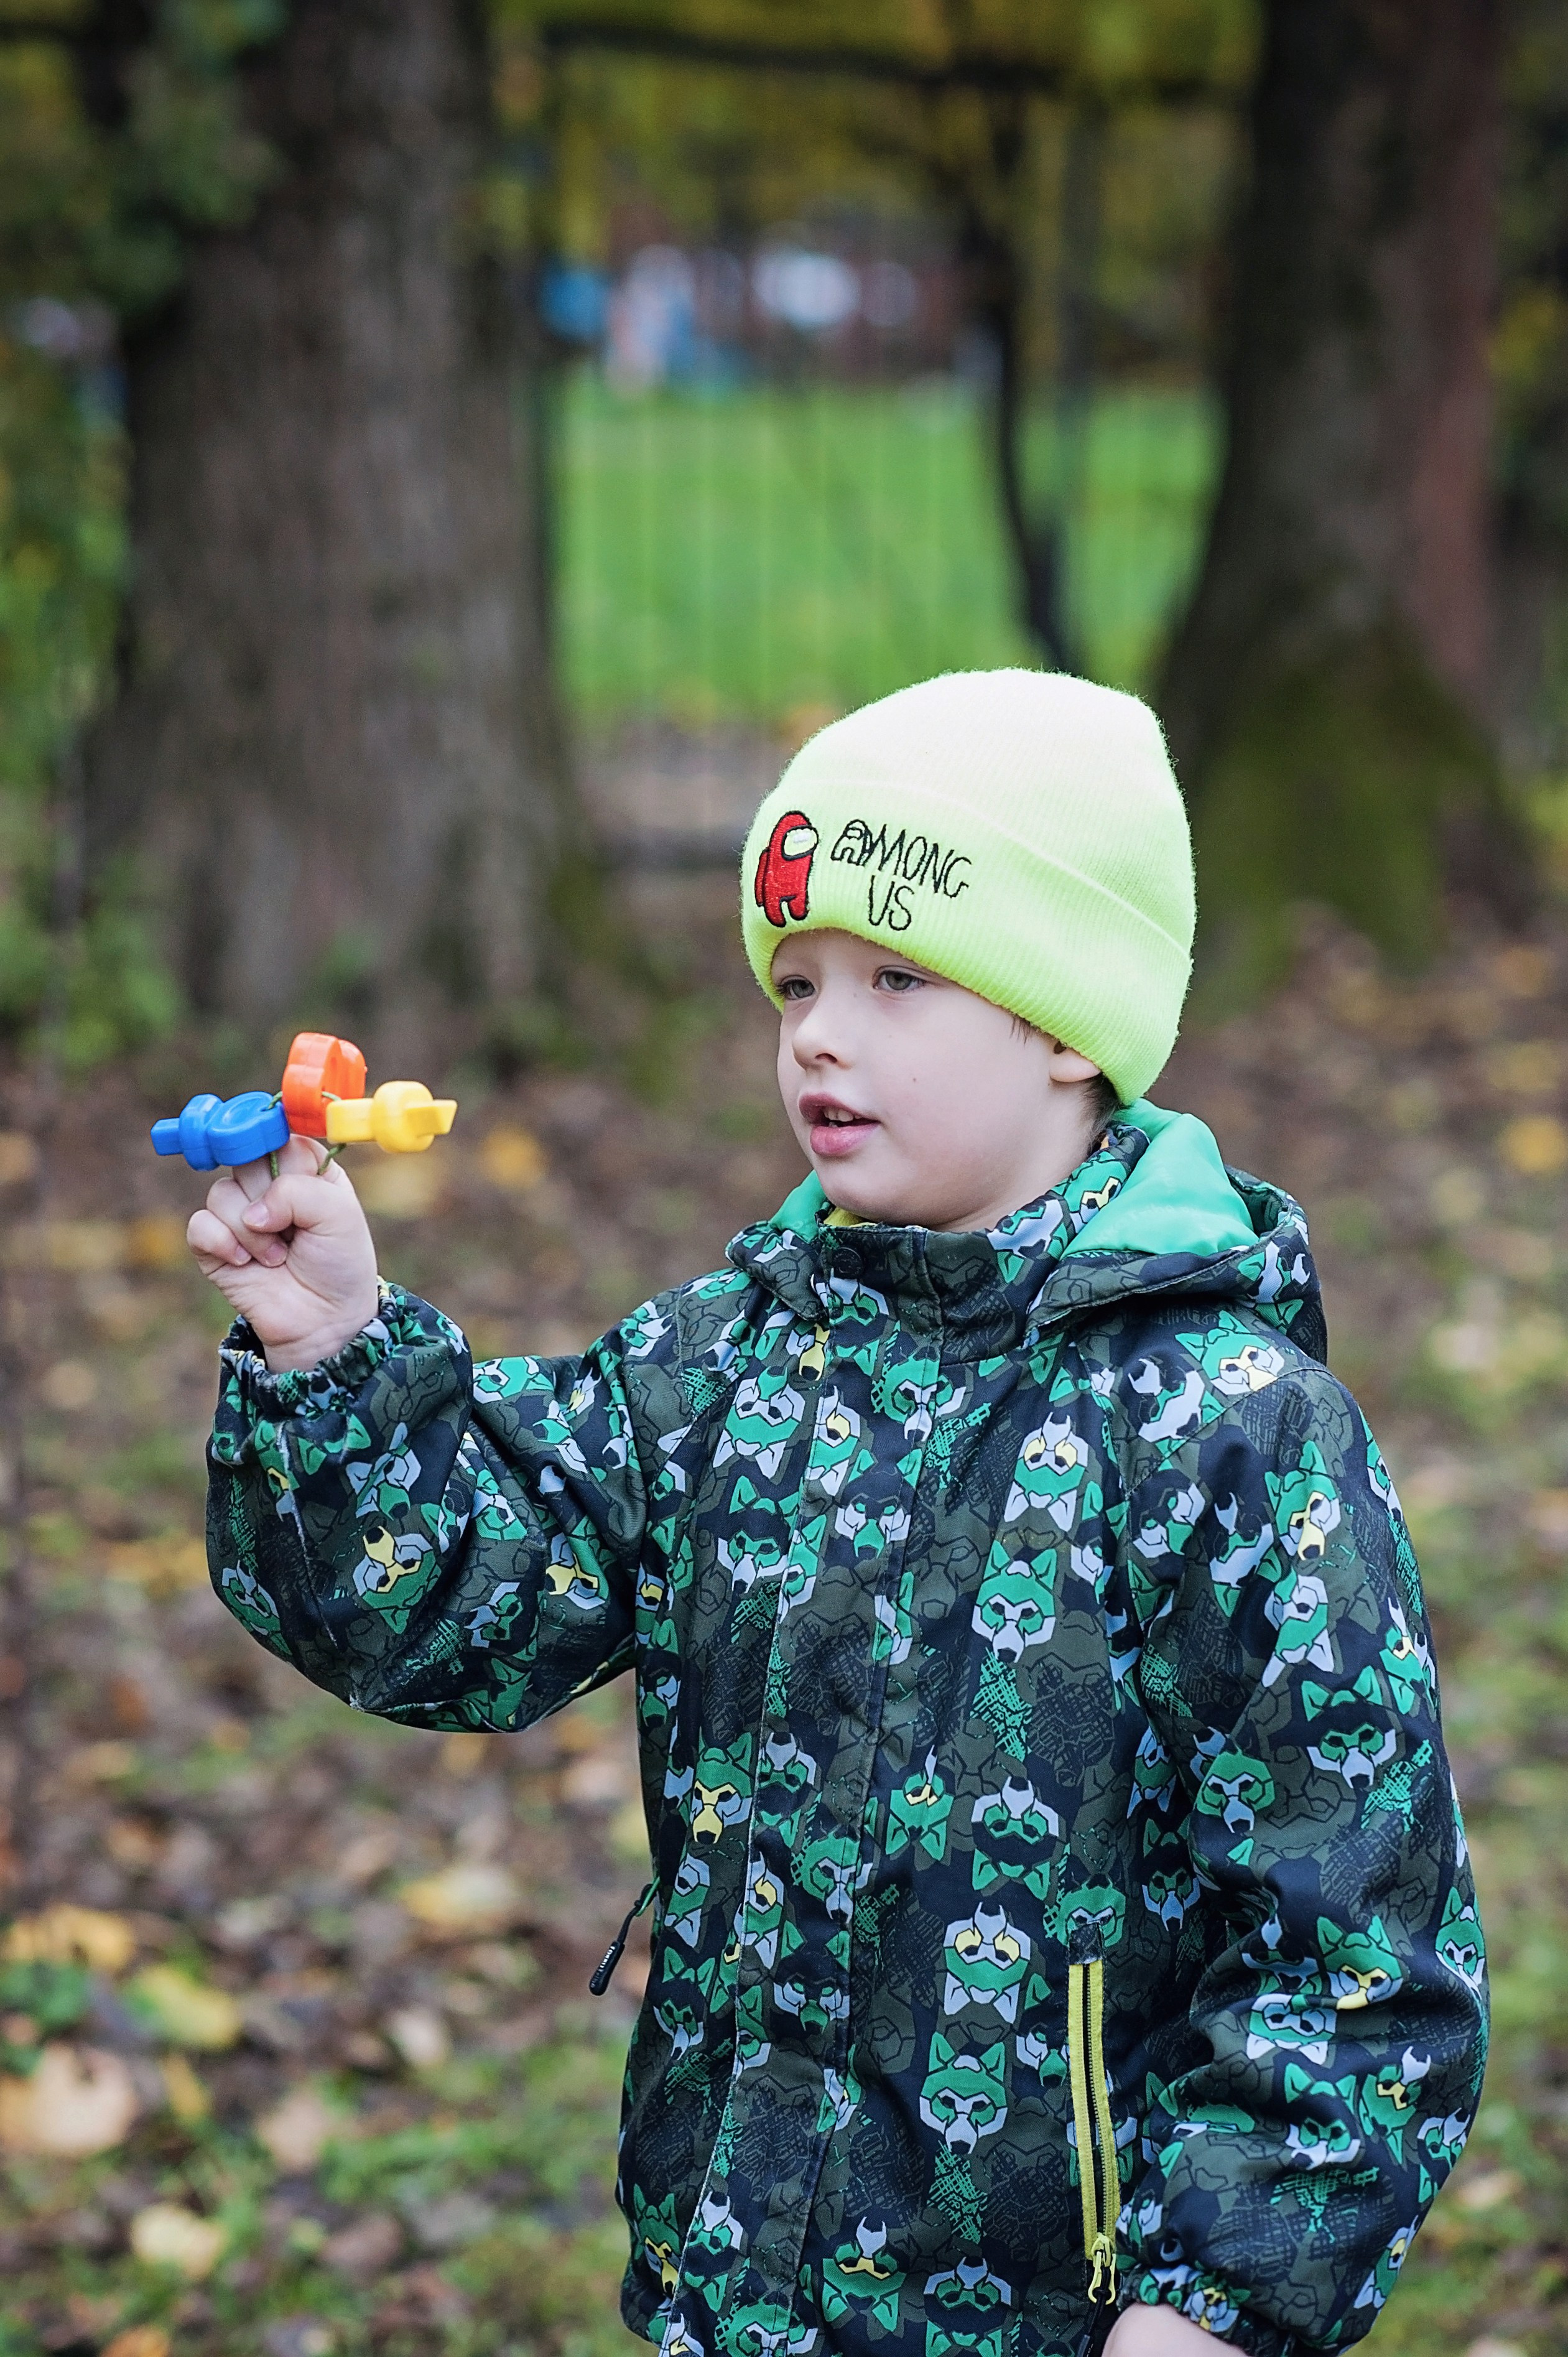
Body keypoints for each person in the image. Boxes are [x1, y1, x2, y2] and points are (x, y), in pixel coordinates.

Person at [190, 671, 1487, 2357]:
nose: (815, 1030)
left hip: (1066, 2314)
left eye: (893, 979)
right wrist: (333, 1358)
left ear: (1063, 1023)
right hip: (732, 2288)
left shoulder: (1225, 1432)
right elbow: (444, 1599)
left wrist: (1211, 2307)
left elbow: (1356, 1951)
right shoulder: (726, 1361)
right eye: (792, 978)